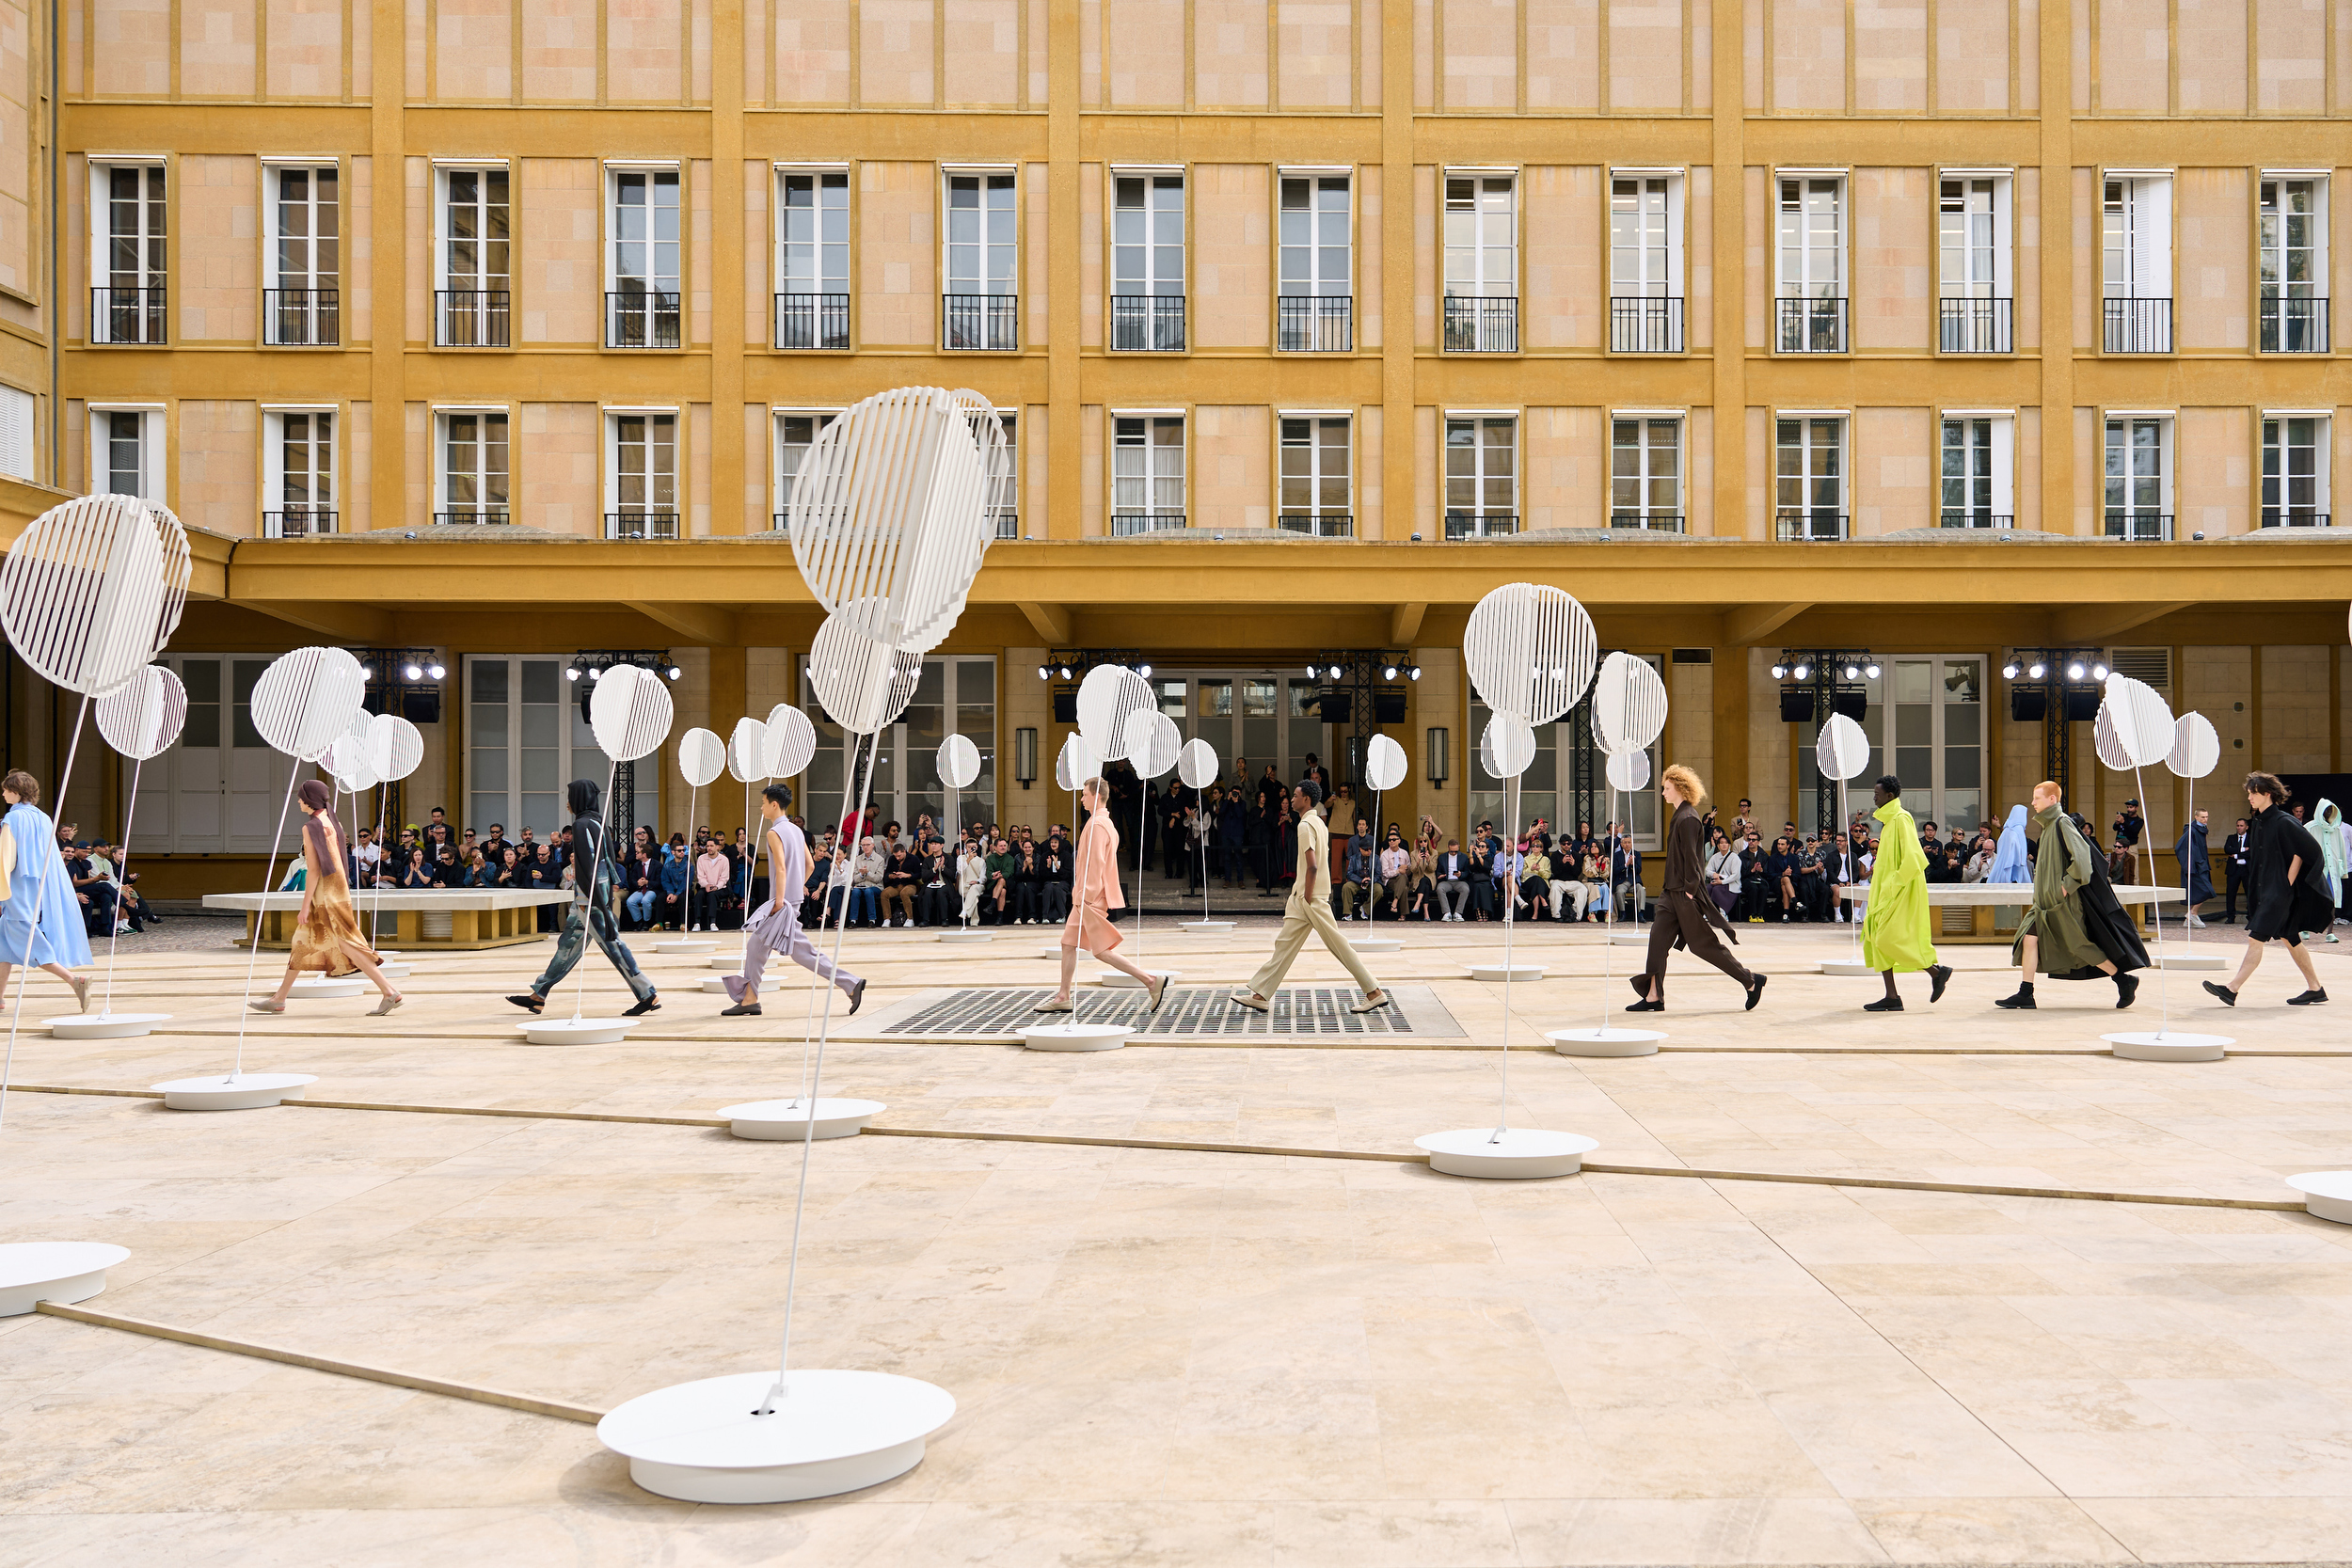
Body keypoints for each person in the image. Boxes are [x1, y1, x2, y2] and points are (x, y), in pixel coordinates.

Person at [1229, 781, 1391, 1014]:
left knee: (1339, 946)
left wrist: (1307, 895)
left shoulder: (1305, 826)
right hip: (1305, 896)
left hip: (1309, 896)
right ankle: (1260, 994)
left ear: (1306, 800)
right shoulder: (1319, 824)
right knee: (1284, 946)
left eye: (1295, 796)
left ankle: (1374, 992)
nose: (1291, 800)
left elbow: (1312, 866)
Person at [250, 779, 403, 1015]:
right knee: (302, 942)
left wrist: (304, 906)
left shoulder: (311, 826)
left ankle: (389, 991)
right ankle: (279, 998)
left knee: (346, 944)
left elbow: (313, 869)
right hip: (337, 890)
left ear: (310, 799)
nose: (299, 801)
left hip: (325, 895)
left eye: (301, 797)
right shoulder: (332, 822)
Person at [508, 778, 658, 1017]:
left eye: (570, 798)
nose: (567, 803)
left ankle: (647, 993)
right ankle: (539, 994)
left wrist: (599, 903)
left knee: (613, 944)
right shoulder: (597, 823)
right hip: (593, 896)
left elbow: (588, 867)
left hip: (589, 898)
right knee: (567, 945)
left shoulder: (581, 825)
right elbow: (608, 864)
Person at [1995, 780, 2148, 1010]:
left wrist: (2062, 890)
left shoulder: (2062, 823)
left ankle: (2123, 979)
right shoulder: (2047, 826)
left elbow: (2083, 862)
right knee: (2028, 938)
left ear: (2052, 799)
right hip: (2043, 904)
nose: (2033, 802)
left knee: (2079, 946)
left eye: (2037, 798)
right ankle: (2026, 993)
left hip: (2062, 903)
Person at [1629, 765, 1765, 1014]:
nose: (1663, 793)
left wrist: (1691, 891)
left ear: (1680, 788)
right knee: (1657, 941)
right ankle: (1653, 996)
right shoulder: (1680, 814)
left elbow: (1694, 858)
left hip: (1684, 892)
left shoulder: (1689, 818)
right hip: (1671, 893)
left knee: (1703, 945)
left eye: (1667, 788)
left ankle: (1751, 980)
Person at [721, 784, 866, 1018]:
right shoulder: (797, 831)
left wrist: (779, 900)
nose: (761, 807)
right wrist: (795, 889)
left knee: (797, 952)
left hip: (781, 903)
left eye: (763, 802)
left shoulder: (774, 832)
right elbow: (809, 865)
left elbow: (780, 868)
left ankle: (850, 982)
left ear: (774, 804)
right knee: (761, 947)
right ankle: (750, 998)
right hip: (791, 899)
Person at [1034, 777, 1168, 1015]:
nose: (1082, 798)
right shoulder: (1103, 823)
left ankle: (1150, 980)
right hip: (1088, 894)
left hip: (1090, 895)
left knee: (1101, 950)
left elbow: (1096, 862)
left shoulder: (1097, 825)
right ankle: (1063, 995)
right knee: (1068, 944)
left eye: (1084, 794)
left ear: (1096, 795)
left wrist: (1086, 894)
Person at [2204, 771, 2331, 1007]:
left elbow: (2309, 851)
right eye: (2249, 793)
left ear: (2268, 794)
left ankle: (2232, 989)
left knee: (2256, 938)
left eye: (2254, 793)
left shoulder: (2284, 821)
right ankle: (2316, 988)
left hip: (2279, 892)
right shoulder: (2260, 823)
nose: (2250, 797)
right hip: (2268, 891)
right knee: (2290, 938)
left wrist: (2287, 882)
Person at [1858, 777, 1952, 1012]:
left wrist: (1893, 885)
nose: (1874, 797)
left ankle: (1936, 972)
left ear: (1889, 796)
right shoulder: (1889, 821)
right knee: (1875, 939)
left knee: (1886, 938)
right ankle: (1892, 996)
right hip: (1885, 891)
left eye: (1877, 794)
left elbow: (1914, 859)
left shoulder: (1901, 819)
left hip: (1899, 891)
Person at [0, 771, 91, 1011]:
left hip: (17, 888)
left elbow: (5, 859)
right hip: (39, 886)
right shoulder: (43, 818)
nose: (3, 793)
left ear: (16, 792)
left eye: (6, 790)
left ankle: (74, 981)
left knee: (31, 942)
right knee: (3, 945)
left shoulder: (13, 819)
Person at [2313, 799, 2347, 943]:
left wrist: (2343, 871)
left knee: (2332, 901)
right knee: (2311, 900)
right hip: (2315, 871)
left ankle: (2330, 932)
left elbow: (2342, 851)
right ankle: (2303, 929)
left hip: (2332, 872)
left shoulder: (2336, 830)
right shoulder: (2310, 827)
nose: (2328, 813)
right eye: (2326, 810)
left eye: (2330, 810)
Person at [2175, 808, 2214, 929]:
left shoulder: (2200, 829)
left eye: (2207, 817)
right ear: (2196, 817)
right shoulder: (2191, 830)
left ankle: (2190, 917)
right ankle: (2193, 913)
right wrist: (2190, 866)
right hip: (2195, 867)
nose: (2205, 819)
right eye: (2203, 817)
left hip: (2201, 865)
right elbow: (2180, 848)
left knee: (2199, 891)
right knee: (2207, 890)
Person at [1989, 805, 2030, 883]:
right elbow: (2019, 848)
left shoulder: (2006, 830)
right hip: (2015, 867)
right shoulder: (2018, 829)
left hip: (2001, 865)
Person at [1435, 839, 1471, 921]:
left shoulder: (1464, 857)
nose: (1454, 853)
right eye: (1452, 851)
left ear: (1458, 848)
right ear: (1448, 848)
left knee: (1465, 889)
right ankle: (1446, 913)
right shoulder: (1442, 857)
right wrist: (1440, 875)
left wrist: (1461, 874)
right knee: (1440, 889)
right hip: (1446, 881)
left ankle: (1458, 913)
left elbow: (1467, 872)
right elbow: (1438, 871)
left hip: (1459, 881)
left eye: (1456, 851)